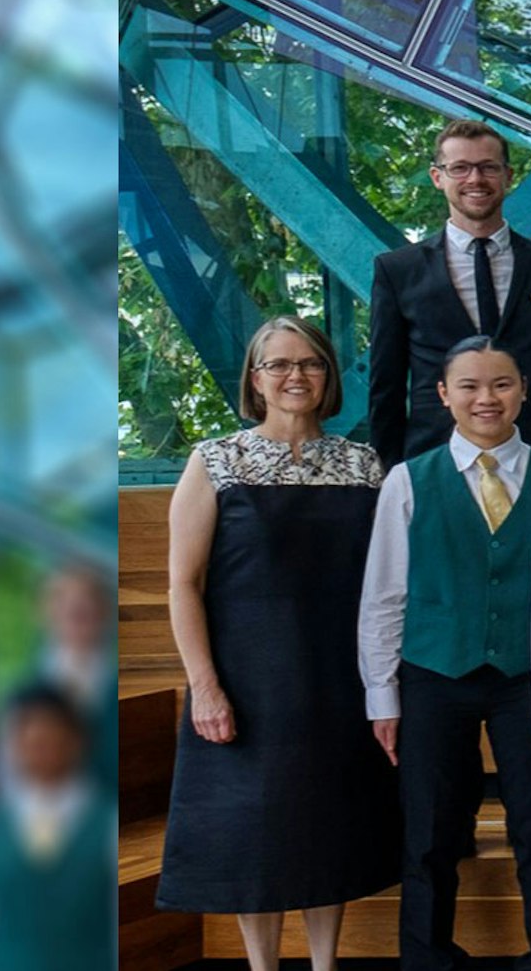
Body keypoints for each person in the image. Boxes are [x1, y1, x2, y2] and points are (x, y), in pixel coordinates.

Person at [156, 315, 398, 970]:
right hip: (247, 681)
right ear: (255, 379)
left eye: (311, 363)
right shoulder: (215, 460)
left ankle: (326, 963)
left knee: (331, 825)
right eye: (279, 364)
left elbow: (385, 584)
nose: (296, 376)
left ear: (328, 377)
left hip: (339, 679)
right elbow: (183, 582)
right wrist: (204, 685)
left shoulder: (364, 463)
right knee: (252, 834)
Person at [354, 336, 531, 971]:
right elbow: (384, 595)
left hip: (527, 677)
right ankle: (427, 957)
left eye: (502, 384)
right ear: (444, 395)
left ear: (524, 391)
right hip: (433, 673)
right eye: (471, 386)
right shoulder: (407, 480)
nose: (487, 398)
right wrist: (382, 694)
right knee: (428, 830)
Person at [366, 118, 531, 461]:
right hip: (434, 460)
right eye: (460, 168)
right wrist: (389, 474)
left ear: (508, 176)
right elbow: (386, 387)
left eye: (488, 167)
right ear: (437, 177)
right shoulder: (398, 270)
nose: (475, 179)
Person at [0, 688, 111, 971]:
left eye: (50, 738)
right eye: (27, 739)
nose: (38, 748)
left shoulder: (108, 824)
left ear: (77, 741)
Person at [35, 564, 118, 786]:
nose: (76, 608)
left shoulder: (117, 685)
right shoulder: (26, 692)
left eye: (88, 600)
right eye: (63, 600)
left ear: (105, 610)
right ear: (45, 610)